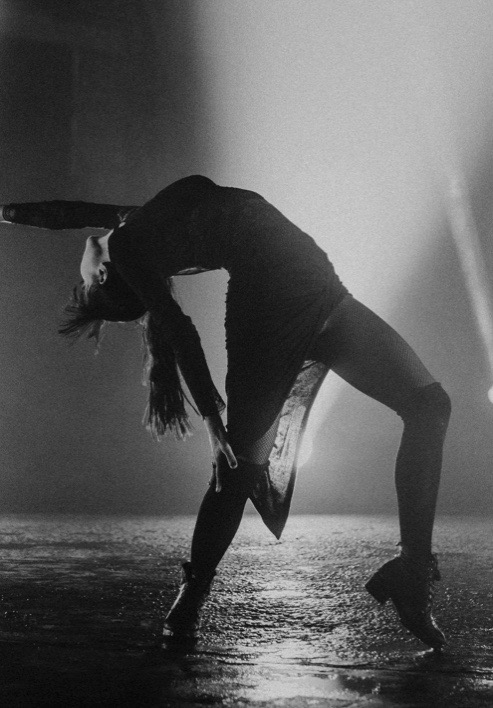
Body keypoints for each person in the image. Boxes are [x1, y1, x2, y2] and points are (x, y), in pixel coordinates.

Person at [0, 175, 451, 649]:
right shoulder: (129, 244)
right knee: (239, 466)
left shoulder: (136, 223)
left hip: (315, 285)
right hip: (269, 305)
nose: (81, 268)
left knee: (429, 405)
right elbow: (177, 328)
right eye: (85, 281)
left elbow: (66, 213)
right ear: (104, 276)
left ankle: (412, 570)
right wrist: (213, 422)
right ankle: (192, 593)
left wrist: (4, 214)